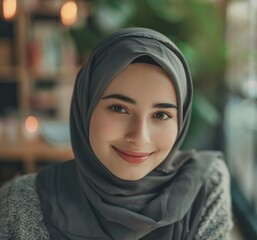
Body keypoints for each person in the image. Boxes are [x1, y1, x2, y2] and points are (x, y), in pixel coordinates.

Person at [0, 27, 233, 240]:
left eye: (161, 115)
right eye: (119, 108)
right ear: (86, 107)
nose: (140, 137)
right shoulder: (22, 203)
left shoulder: (206, 187)